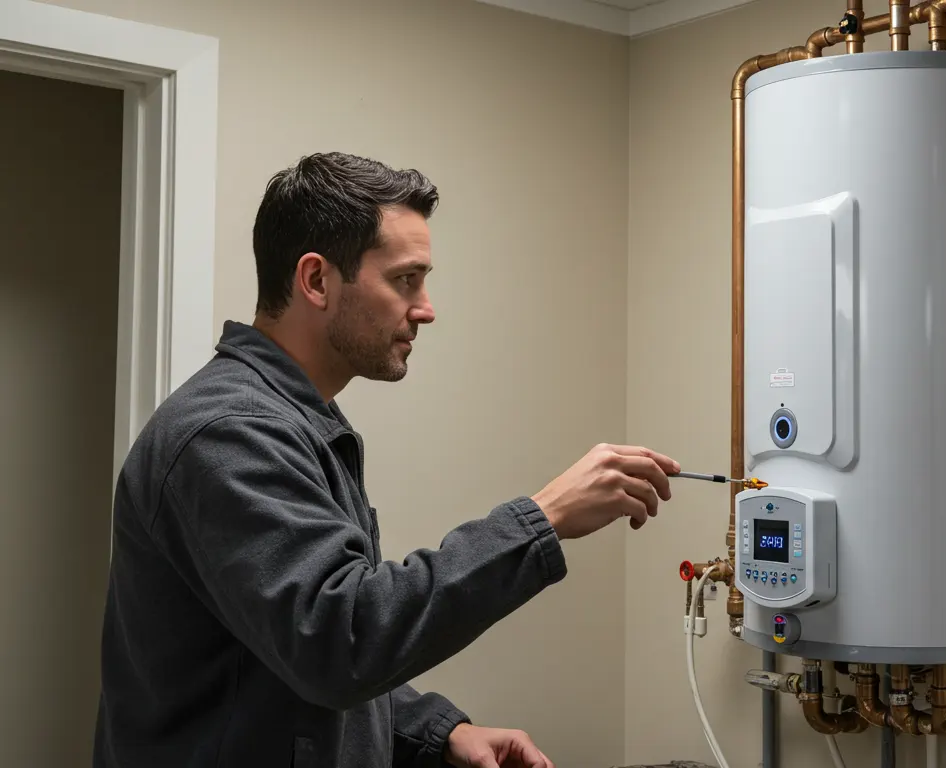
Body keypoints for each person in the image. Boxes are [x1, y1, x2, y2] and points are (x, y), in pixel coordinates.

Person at [93, 152, 679, 768]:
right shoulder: (229, 435)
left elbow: (283, 649)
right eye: (405, 280)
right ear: (316, 280)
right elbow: (339, 640)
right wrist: (542, 519)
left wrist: (437, 729)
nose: (425, 307)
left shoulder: (295, 420)